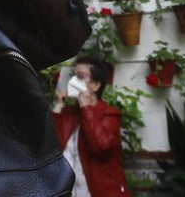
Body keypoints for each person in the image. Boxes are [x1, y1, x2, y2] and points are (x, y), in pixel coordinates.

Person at [51, 57, 133, 197]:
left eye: (80, 77)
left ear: (95, 85)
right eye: (73, 76)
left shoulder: (109, 113)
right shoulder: (69, 113)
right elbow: (50, 146)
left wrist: (86, 108)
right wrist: (58, 105)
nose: (73, 81)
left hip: (100, 191)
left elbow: (100, 147)